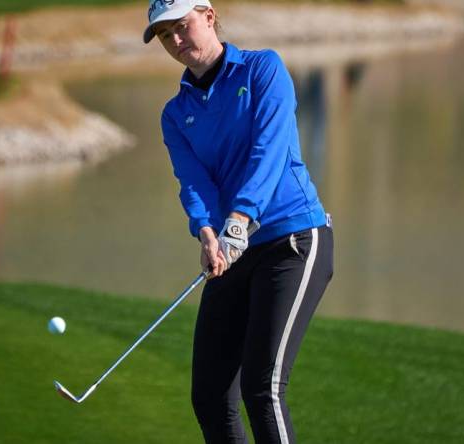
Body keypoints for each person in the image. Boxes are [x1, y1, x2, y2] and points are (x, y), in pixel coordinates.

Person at [144, 1, 334, 442]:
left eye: (181, 26)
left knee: (261, 388)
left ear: (208, 16)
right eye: (165, 35)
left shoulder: (263, 70)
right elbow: (193, 183)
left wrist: (239, 219)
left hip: (293, 239)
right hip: (232, 249)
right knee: (209, 396)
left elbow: (269, 149)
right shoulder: (175, 114)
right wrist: (207, 231)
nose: (175, 40)